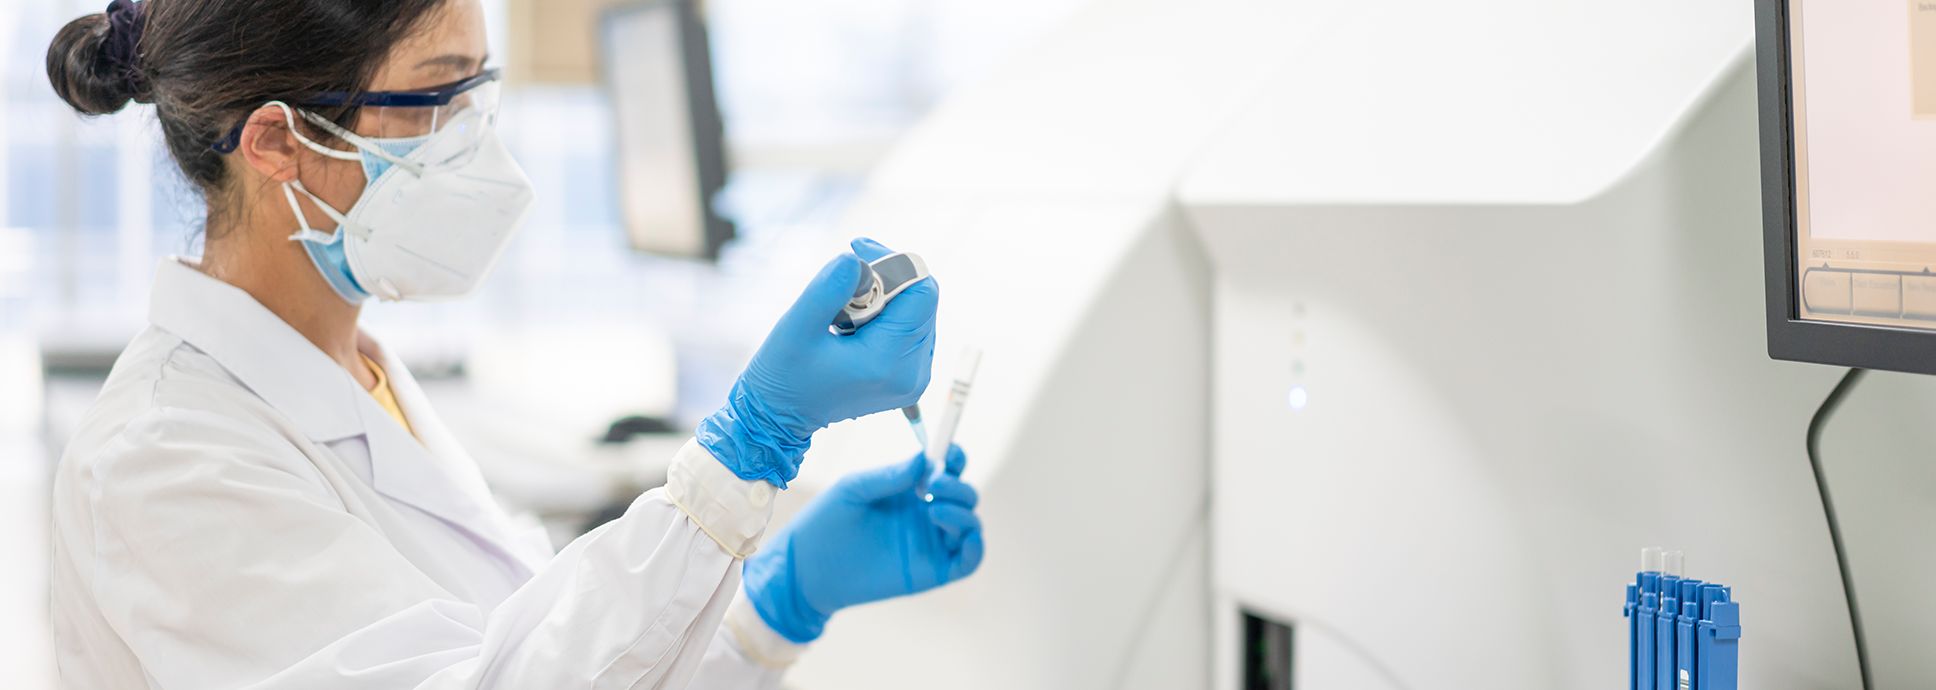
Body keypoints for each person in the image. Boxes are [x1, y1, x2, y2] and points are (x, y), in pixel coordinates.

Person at [42, 0, 986, 687]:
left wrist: (772, 611)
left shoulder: (355, 372)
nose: (478, 148)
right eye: (436, 100)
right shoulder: (163, 461)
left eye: (478, 92)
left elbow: (544, 656)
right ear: (278, 142)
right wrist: (744, 454)